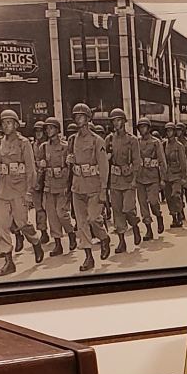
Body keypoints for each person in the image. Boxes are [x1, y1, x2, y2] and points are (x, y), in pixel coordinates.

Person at [0, 108, 39, 276]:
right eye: (3, 123)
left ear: (16, 125)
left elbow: (31, 169)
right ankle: (8, 261)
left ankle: (35, 242)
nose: (6, 125)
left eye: (9, 122)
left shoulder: (24, 143)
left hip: (19, 189)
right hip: (2, 189)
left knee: (22, 222)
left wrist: (29, 192)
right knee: (1, 224)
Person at [67, 102, 112, 273]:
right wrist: (69, 161)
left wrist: (104, 190)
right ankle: (88, 257)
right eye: (76, 116)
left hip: (94, 187)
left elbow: (104, 167)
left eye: (81, 116)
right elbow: (70, 160)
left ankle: (104, 238)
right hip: (77, 186)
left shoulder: (97, 140)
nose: (78, 119)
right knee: (81, 223)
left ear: (88, 118)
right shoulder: (72, 140)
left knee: (94, 219)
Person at [37, 115, 74, 258]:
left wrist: (69, 184)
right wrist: (41, 165)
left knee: (61, 213)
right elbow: (39, 164)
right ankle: (58, 243)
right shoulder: (44, 147)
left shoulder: (65, 147)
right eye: (47, 128)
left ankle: (70, 233)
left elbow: (70, 167)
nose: (48, 130)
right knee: (52, 215)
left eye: (51, 128)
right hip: (49, 185)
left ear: (57, 130)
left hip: (62, 184)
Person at [105, 108, 141, 254]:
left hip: (128, 180)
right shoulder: (109, 139)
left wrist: (134, 180)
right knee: (117, 211)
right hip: (115, 180)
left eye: (118, 120)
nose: (116, 123)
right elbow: (105, 161)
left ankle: (135, 226)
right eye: (114, 121)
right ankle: (122, 242)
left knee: (128, 209)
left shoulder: (132, 140)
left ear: (124, 122)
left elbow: (137, 162)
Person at [134, 119, 166, 239]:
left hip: (153, 177)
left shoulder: (155, 142)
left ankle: (159, 216)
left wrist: (162, 178)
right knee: (143, 205)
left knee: (153, 201)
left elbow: (162, 161)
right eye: (140, 127)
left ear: (148, 128)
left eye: (144, 127)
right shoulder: (136, 142)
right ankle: (148, 230)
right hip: (140, 177)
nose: (142, 129)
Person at [160, 124, 187, 227]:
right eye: (167, 131)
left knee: (176, 195)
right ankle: (174, 218)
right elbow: (161, 161)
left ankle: (179, 213)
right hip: (167, 175)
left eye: (171, 131)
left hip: (177, 175)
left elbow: (183, 162)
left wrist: (184, 176)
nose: (169, 133)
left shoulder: (180, 146)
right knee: (169, 198)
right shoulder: (164, 145)